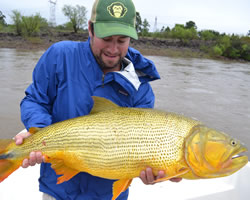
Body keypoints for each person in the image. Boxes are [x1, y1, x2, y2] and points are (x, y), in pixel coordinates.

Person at [15, 0, 181, 199]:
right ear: (90, 29)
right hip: (58, 190)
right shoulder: (60, 56)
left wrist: (157, 172)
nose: (113, 49)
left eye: (122, 40)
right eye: (106, 38)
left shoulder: (141, 88)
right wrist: (41, 133)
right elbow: (35, 99)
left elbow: (142, 149)